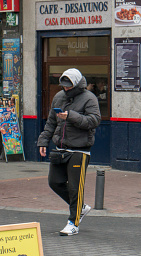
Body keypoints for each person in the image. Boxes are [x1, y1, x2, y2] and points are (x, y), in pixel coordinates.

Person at [37, 68, 101, 236]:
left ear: (77, 84)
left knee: (75, 188)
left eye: (69, 86)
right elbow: (51, 121)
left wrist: (71, 116)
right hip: (60, 149)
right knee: (54, 182)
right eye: (64, 86)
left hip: (79, 150)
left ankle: (73, 223)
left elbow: (94, 121)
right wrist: (43, 141)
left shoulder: (89, 98)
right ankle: (80, 207)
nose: (65, 89)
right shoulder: (58, 97)